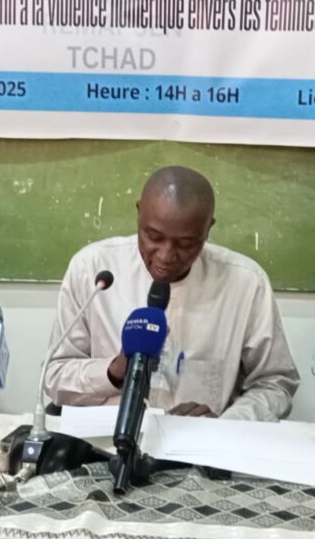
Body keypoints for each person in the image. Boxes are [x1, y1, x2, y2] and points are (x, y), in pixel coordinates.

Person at [44, 166, 300, 421]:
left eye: (186, 244)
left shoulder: (246, 283)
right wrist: (114, 371)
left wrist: (225, 425)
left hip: (200, 443)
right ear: (139, 213)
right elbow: (55, 377)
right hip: (102, 440)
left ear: (208, 229)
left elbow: (275, 383)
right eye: (153, 237)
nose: (166, 256)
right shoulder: (93, 270)